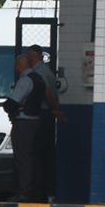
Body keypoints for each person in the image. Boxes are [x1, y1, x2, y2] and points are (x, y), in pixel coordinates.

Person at [1, 53, 50, 202]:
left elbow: (14, 101)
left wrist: (6, 106)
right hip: (35, 122)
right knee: (34, 158)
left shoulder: (25, 80)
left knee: (23, 158)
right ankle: (37, 192)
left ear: (19, 66)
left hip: (24, 123)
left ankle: (24, 192)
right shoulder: (39, 79)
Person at [25, 46, 66, 199]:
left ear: (33, 56)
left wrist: (54, 109)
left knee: (40, 154)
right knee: (45, 153)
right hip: (47, 114)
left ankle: (40, 190)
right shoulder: (46, 71)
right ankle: (45, 190)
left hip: (43, 114)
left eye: (28, 56)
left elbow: (47, 94)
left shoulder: (39, 73)